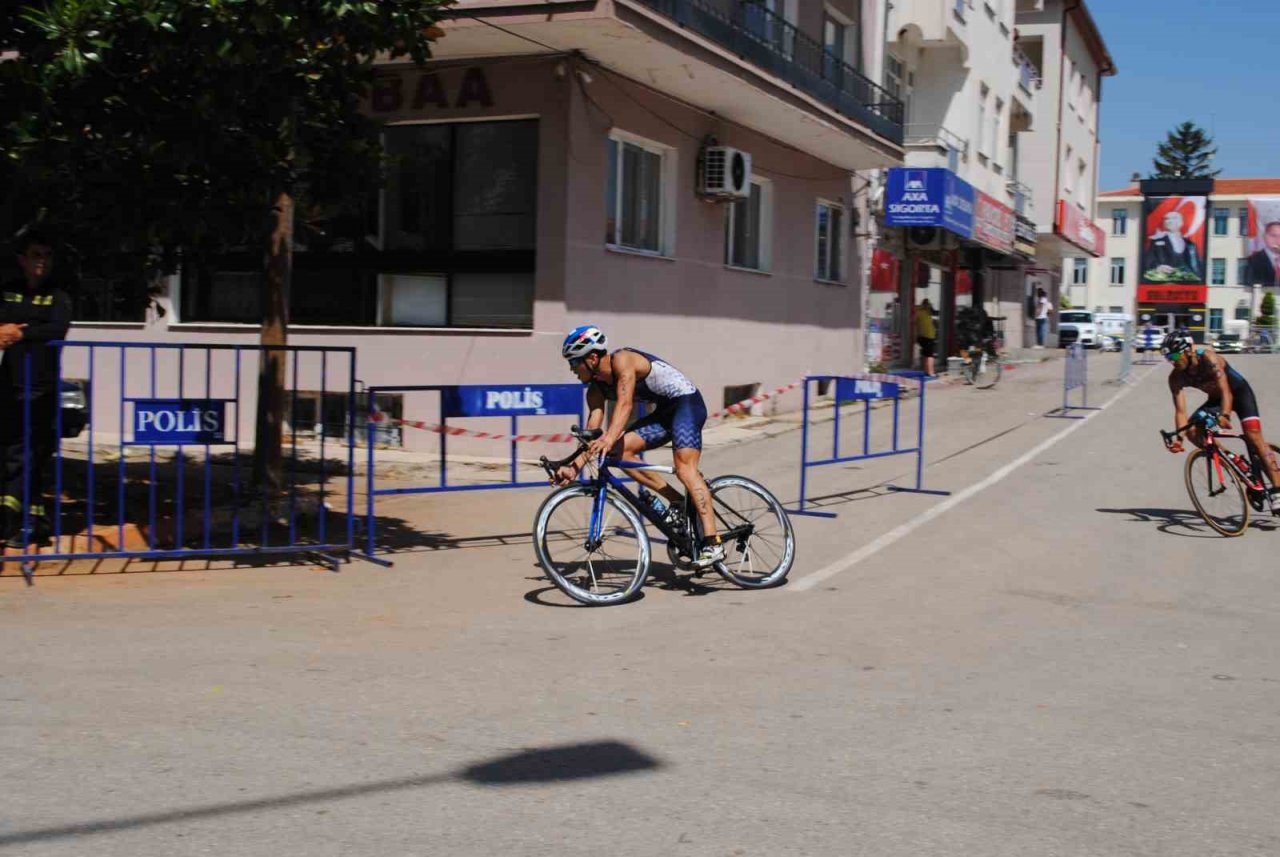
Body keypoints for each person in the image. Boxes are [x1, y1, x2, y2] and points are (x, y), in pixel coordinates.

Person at [553, 325, 724, 568]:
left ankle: (713, 542)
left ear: (592, 358)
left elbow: (624, 406)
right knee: (619, 451)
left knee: (685, 469)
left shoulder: (623, 361)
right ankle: (677, 502)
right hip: (664, 414)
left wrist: (609, 437)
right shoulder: (594, 390)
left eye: (573, 363)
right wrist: (574, 467)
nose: (572, 370)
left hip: (687, 404)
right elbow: (592, 436)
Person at [0, 226, 72, 547]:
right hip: (9, 384)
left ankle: (32, 522)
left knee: (38, 454)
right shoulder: (8, 290)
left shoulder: (58, 294)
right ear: (22, 260)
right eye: (35, 255)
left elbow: (58, 327)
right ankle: (15, 522)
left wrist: (21, 332)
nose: (41, 261)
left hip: (42, 386)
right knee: (13, 453)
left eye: (46, 255)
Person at [1161, 329, 1280, 513]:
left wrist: (1225, 415)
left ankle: (1277, 491)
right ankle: (1232, 460)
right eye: (1169, 358)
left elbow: (1226, 390)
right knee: (1193, 430)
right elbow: (1180, 411)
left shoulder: (1209, 359)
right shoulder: (1176, 377)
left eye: (1175, 355)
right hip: (1215, 401)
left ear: (1188, 349)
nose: (1173, 361)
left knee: (1253, 436)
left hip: (1239, 394)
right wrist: (1179, 438)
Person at [1143, 209, 1203, 282]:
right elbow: (1148, 261)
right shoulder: (1156, 241)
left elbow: (1196, 265)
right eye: (1166, 219)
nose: (1169, 221)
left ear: (1181, 222)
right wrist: (1158, 267)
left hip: (1187, 283)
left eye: (1174, 218)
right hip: (1163, 281)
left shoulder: (1190, 244)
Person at [1243, 221, 1280, 288]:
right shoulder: (1254, 260)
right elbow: (1249, 284)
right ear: (1265, 237)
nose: (1278, 240)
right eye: (1274, 236)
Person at [914, 298, 936, 376]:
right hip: (929, 336)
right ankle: (931, 372)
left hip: (921, 336)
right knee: (930, 355)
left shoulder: (919, 312)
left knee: (924, 354)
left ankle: (925, 371)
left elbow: (914, 321)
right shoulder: (928, 312)